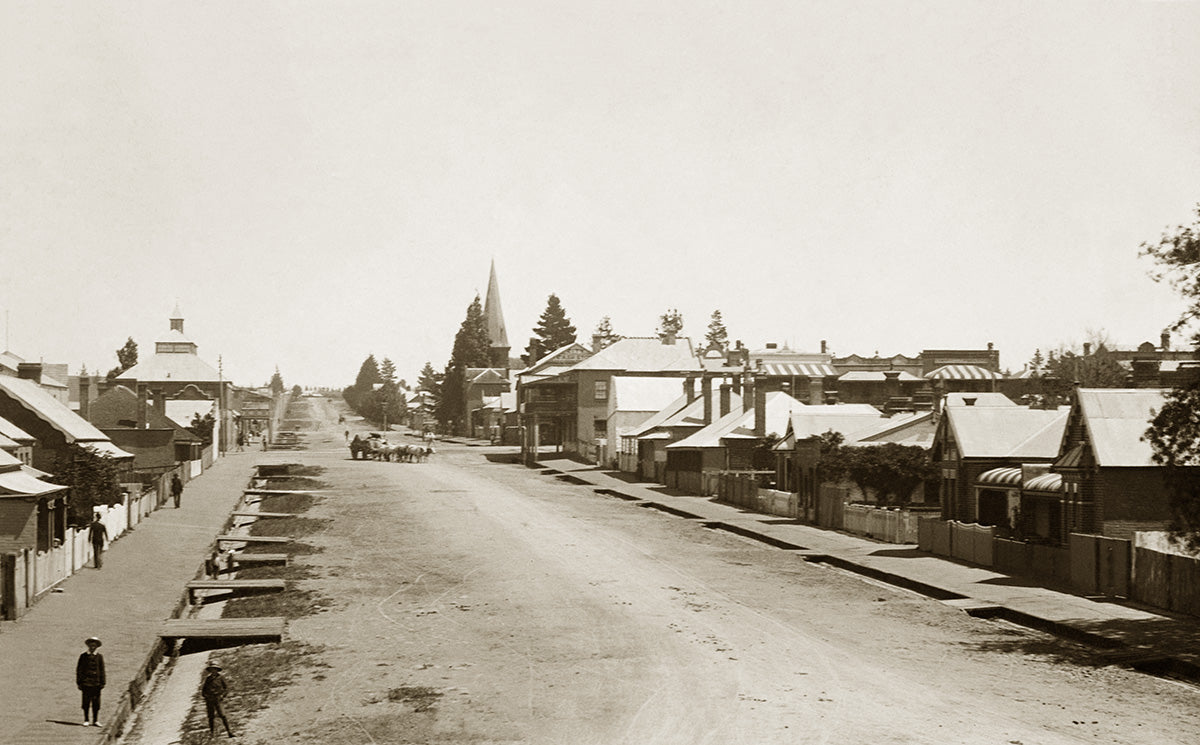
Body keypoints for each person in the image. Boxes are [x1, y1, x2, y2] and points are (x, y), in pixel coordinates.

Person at [76, 636, 105, 727]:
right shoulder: (83, 656)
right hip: (86, 683)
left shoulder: (99, 657)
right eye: (91, 645)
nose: (92, 647)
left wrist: (102, 682)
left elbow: (102, 670)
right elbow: (79, 670)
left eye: (94, 645)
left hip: (96, 683)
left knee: (96, 703)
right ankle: (86, 719)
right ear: (88, 646)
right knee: (86, 702)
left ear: (97, 646)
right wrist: (79, 682)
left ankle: (95, 720)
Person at [201, 662, 236, 738]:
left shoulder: (221, 677)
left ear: (217, 670)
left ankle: (229, 732)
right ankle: (212, 734)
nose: (213, 671)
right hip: (210, 700)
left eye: (215, 669)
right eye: (211, 669)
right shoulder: (208, 679)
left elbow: (226, 688)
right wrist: (206, 696)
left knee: (223, 715)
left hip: (218, 699)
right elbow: (203, 690)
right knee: (211, 717)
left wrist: (223, 696)